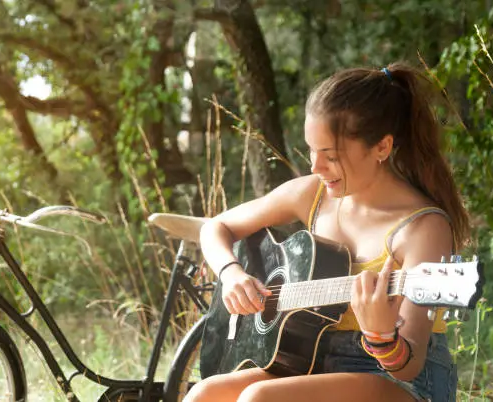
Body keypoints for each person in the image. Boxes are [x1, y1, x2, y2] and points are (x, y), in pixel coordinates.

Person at [185, 62, 469, 402]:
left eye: (330, 155)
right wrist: (232, 274)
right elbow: (217, 227)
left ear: (381, 147)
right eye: (311, 150)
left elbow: (407, 365)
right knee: (203, 394)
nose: (315, 166)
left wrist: (380, 333)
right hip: (313, 363)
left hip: (402, 382)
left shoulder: (424, 227)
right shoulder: (313, 195)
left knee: (258, 398)